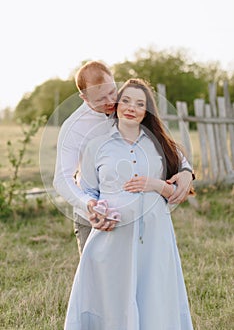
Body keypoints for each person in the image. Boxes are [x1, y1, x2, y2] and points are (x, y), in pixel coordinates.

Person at [64, 78, 194, 329]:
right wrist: (93, 209)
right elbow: (88, 189)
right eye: (125, 100)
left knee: (154, 295)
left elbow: (182, 178)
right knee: (113, 298)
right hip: (113, 235)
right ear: (116, 105)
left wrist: (157, 185)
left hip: (156, 235)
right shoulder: (97, 145)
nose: (131, 107)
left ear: (147, 110)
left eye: (139, 103)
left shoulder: (160, 144)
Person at [53, 61, 194, 256]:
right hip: (94, 216)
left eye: (112, 91)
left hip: (138, 216)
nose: (111, 101)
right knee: (97, 280)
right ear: (84, 97)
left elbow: (159, 138)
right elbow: (61, 178)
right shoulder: (73, 129)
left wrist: (186, 171)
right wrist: (89, 205)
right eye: (101, 98)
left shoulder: (126, 105)